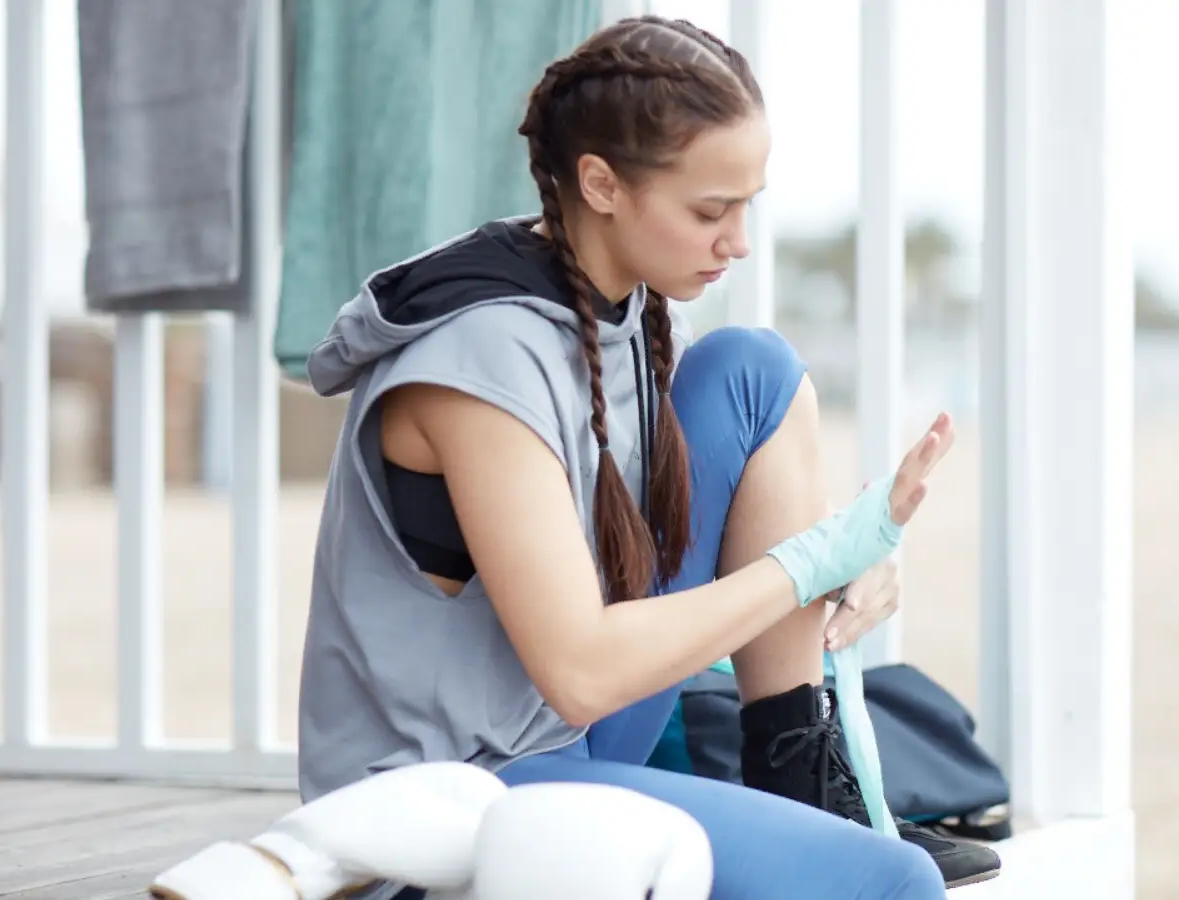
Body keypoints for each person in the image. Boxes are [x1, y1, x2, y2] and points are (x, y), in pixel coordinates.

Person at [295, 15, 1002, 900]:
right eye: (710, 210)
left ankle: (799, 778)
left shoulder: (627, 311)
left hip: (570, 739)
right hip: (450, 801)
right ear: (600, 183)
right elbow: (583, 669)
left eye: (748, 205)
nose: (737, 240)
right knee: (892, 885)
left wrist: (838, 566)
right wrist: (813, 559)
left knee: (754, 372)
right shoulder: (481, 361)